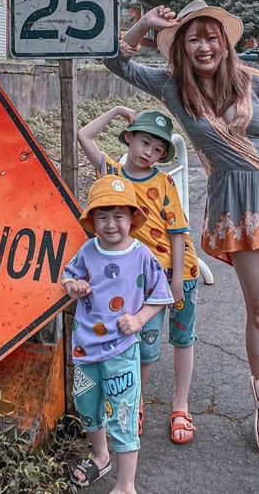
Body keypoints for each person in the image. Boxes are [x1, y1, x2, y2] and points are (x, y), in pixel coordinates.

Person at [104, 0, 259, 462]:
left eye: (212, 37)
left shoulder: (257, 82)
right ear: (182, 48)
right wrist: (145, 26)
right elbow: (115, 60)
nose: (205, 45)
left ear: (225, 42)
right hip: (238, 207)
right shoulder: (173, 88)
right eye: (194, 38)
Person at [77, 107, 200, 444]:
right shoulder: (112, 174)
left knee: (182, 339)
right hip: (140, 283)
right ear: (129, 138)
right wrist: (116, 112)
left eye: (158, 149)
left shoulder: (164, 182)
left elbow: (178, 231)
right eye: (144, 142)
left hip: (179, 272)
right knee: (143, 347)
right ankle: (135, 404)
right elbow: (83, 136)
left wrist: (176, 281)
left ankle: (181, 405)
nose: (150, 152)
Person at [62, 174, 173, 492]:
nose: (111, 224)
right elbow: (69, 276)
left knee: (123, 414)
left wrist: (138, 320)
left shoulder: (141, 255)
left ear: (132, 218)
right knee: (86, 405)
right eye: (103, 216)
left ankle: (126, 484)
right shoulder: (87, 250)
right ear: (93, 220)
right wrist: (75, 287)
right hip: (85, 348)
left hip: (122, 351)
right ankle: (100, 456)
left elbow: (159, 294)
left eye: (119, 216)